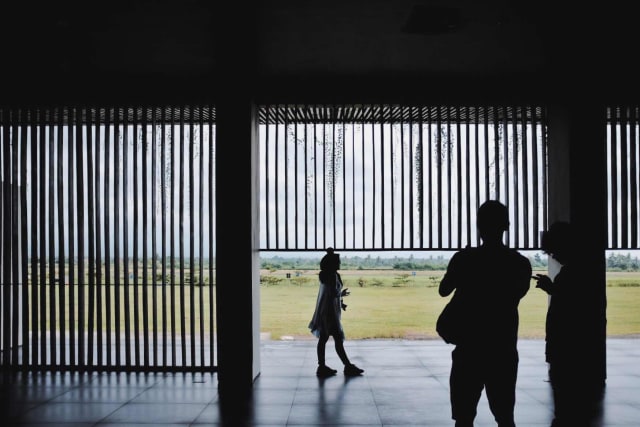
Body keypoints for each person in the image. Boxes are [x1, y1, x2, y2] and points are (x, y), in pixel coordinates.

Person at [439, 200, 532, 427]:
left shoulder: (464, 259)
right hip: (503, 347)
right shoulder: (520, 263)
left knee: (463, 416)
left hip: (469, 347)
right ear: (507, 225)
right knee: (504, 416)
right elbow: (514, 297)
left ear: (478, 226)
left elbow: (444, 291)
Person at [533, 221, 604, 426]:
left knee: (565, 400)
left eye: (554, 252)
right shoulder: (584, 271)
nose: (553, 256)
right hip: (576, 347)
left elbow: (572, 307)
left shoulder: (573, 273)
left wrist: (553, 289)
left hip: (567, 347)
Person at [309, 247, 364, 377]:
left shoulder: (327, 275)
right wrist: (342, 294)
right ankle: (347, 366)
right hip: (330, 313)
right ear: (332, 264)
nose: (339, 264)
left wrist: (340, 302)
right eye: (337, 262)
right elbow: (334, 293)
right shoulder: (333, 276)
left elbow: (329, 295)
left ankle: (323, 366)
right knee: (336, 339)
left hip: (328, 310)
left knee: (324, 339)